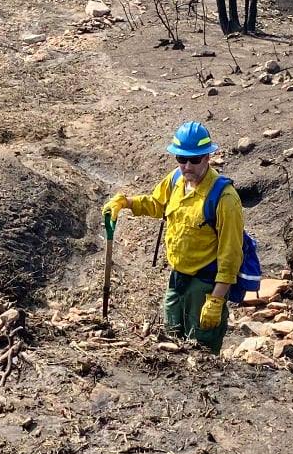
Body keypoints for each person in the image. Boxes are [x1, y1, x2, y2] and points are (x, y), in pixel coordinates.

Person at [103, 120, 244, 353]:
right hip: (177, 278)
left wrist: (217, 300)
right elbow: (156, 203)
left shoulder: (225, 199)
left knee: (201, 349)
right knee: (171, 340)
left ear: (208, 157)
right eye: (181, 159)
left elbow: (231, 254)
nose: (187, 166)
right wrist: (126, 203)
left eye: (195, 159)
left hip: (205, 284)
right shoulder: (176, 180)